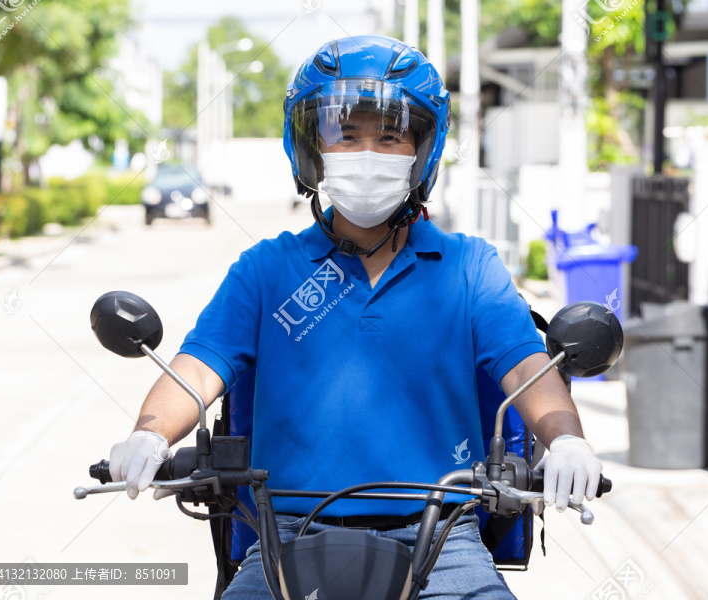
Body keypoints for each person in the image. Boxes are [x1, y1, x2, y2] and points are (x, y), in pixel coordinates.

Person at [109, 35, 603, 599]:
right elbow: (196, 372)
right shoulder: (265, 269)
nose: (366, 152)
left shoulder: (470, 267)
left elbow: (528, 371)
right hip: (287, 534)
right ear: (315, 149)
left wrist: (568, 442)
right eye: (347, 135)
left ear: (422, 150)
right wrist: (148, 436)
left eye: (389, 136)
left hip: (442, 538)